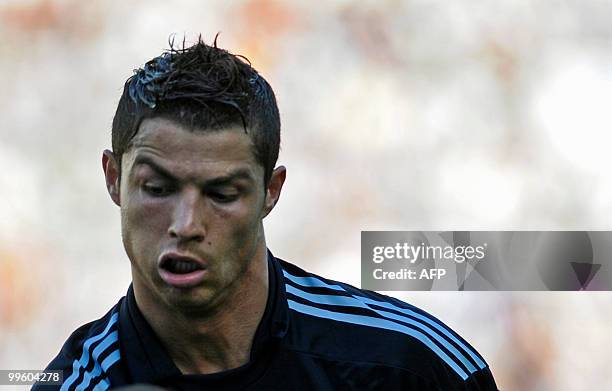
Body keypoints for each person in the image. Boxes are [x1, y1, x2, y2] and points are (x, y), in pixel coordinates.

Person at [36, 37, 498, 391]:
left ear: (270, 192)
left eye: (222, 194)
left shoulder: (407, 367)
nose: (186, 225)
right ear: (113, 178)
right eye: (157, 188)